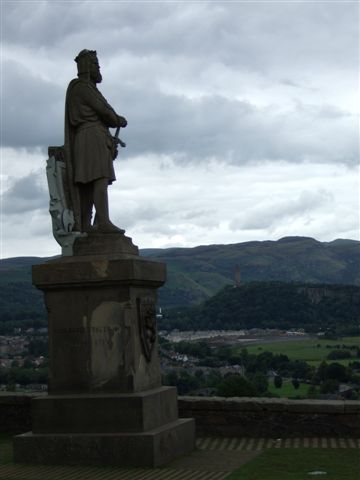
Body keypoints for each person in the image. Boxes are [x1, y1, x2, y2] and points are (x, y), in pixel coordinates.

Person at [64, 49, 127, 233]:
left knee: (93, 181)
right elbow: (104, 111)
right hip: (91, 136)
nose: (98, 68)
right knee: (98, 178)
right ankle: (102, 222)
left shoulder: (88, 88)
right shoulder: (82, 87)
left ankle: (90, 223)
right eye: (95, 64)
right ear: (86, 66)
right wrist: (117, 119)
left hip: (93, 136)